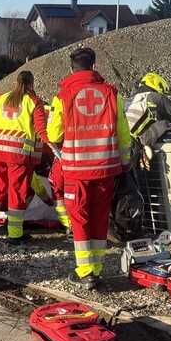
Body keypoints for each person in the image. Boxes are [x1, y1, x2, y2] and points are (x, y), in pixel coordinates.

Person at [48, 48, 131, 289]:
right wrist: (125, 163)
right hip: (105, 169)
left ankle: (85, 273)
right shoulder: (112, 93)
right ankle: (96, 269)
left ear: (71, 69)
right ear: (94, 67)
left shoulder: (63, 97)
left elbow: (54, 134)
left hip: (76, 172)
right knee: (99, 219)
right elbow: (123, 134)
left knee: (80, 219)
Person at [0, 71, 49, 244]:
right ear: (32, 84)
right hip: (19, 155)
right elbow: (41, 129)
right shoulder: (34, 102)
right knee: (17, 192)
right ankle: (15, 234)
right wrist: (54, 148)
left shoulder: (1, 98)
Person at [125, 72, 171, 165]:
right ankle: (145, 143)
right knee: (162, 123)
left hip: (118, 143)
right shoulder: (155, 97)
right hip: (132, 145)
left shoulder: (130, 101)